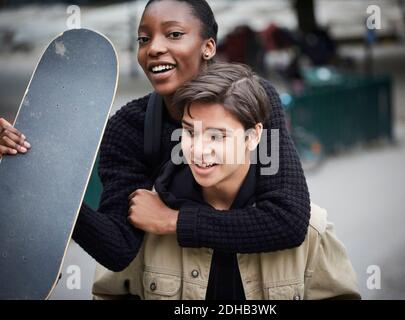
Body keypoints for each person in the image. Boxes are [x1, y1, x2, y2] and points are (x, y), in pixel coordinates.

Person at [0, 0, 311, 272]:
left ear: (208, 46)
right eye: (143, 39)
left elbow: (288, 221)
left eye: (174, 34)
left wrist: (172, 220)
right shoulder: (128, 128)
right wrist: (44, 187)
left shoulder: (255, 101)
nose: (154, 48)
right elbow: (118, 247)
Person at [92, 63, 360, 300]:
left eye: (217, 136)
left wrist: (175, 222)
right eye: (189, 132)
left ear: (253, 136)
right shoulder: (146, 220)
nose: (198, 150)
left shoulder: (312, 229)